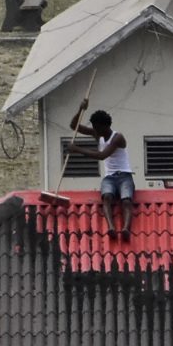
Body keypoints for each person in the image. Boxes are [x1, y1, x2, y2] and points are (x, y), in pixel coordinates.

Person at [69, 100, 136, 241]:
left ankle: (126, 229)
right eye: (94, 127)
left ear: (105, 126)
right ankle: (111, 228)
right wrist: (81, 110)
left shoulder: (118, 138)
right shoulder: (98, 134)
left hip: (124, 176)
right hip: (109, 177)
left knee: (126, 200)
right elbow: (73, 126)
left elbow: (102, 155)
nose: (95, 130)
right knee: (106, 198)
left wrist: (77, 149)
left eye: (97, 127)